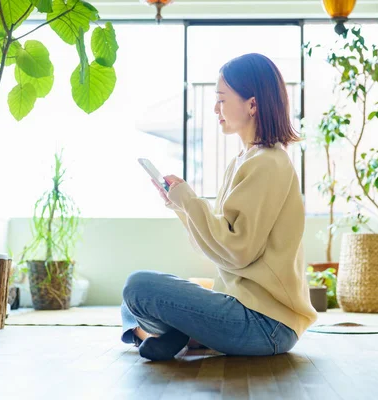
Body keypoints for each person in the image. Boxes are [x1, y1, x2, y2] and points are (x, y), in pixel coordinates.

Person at [120, 53, 318, 361]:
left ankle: (164, 333)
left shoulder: (268, 163)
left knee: (138, 287)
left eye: (222, 99)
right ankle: (176, 334)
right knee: (131, 296)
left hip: (266, 324)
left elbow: (237, 251)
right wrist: (182, 207)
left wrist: (189, 200)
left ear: (252, 105)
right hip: (242, 308)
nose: (216, 109)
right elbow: (216, 249)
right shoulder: (245, 160)